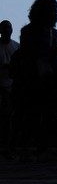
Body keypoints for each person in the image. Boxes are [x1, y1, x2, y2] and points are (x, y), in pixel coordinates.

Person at [10, 0, 57, 161]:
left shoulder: (29, 31)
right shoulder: (50, 32)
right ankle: (36, 148)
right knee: (39, 114)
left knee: (35, 114)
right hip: (39, 77)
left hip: (38, 77)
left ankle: (29, 148)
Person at [0, 20, 19, 158]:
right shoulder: (16, 47)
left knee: (9, 118)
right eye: (4, 28)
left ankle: (8, 146)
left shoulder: (16, 47)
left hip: (11, 86)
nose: (7, 30)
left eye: (8, 27)